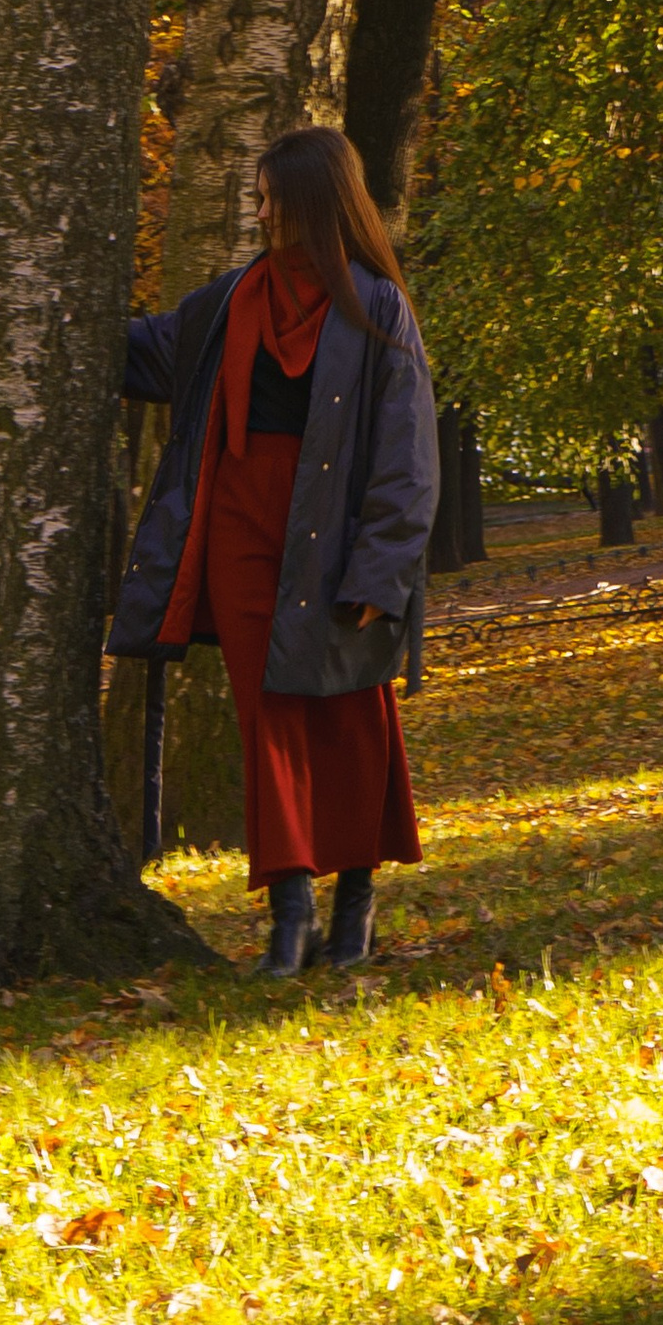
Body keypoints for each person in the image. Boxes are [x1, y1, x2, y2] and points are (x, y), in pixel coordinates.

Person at [109, 126, 437, 976]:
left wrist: (381, 572)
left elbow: (408, 455)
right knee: (269, 721)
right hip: (240, 538)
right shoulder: (225, 303)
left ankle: (356, 905)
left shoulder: (375, 305)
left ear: (314, 204)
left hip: (339, 540)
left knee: (355, 714)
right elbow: (140, 354)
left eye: (269, 199)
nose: (259, 215)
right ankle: (290, 915)